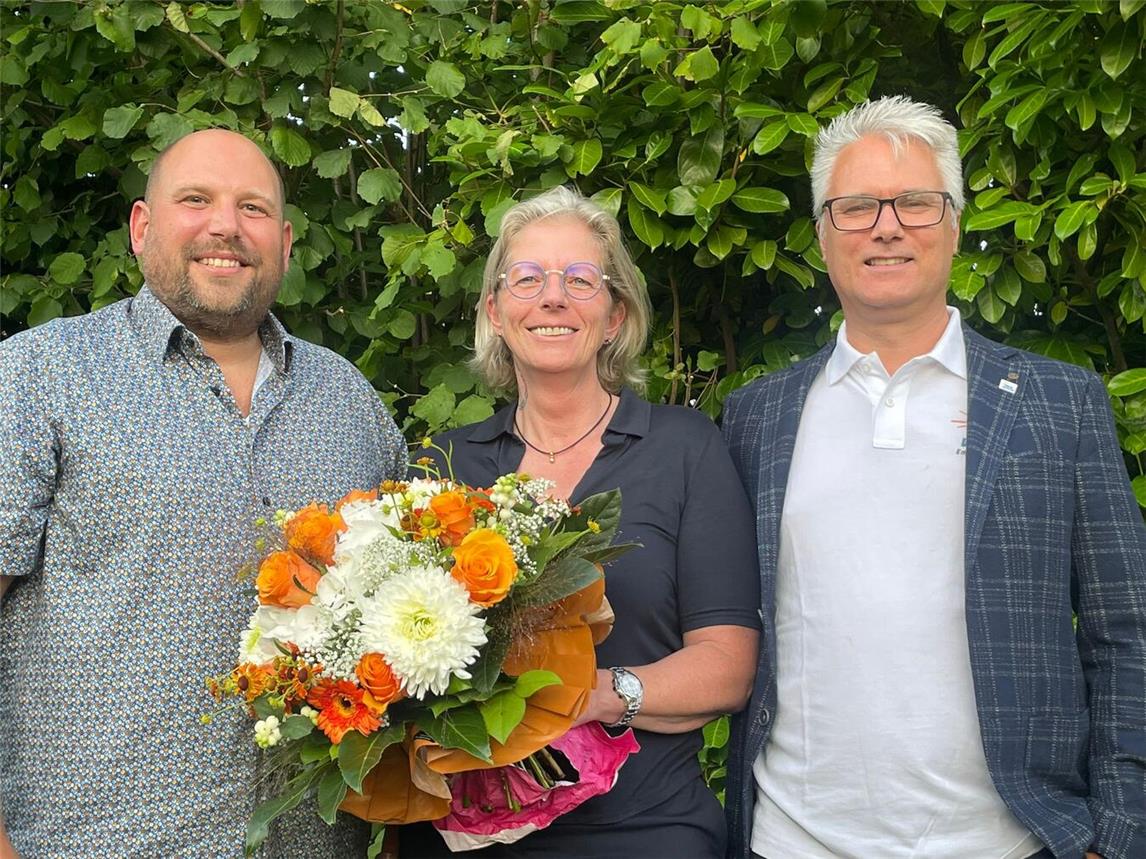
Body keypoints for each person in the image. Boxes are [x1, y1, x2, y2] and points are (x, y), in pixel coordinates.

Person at [722, 96, 1146, 859]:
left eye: (915, 202)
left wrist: (1117, 833)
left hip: (1009, 842)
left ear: (953, 224)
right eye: (856, 207)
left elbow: (1128, 633)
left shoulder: (1061, 403)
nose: (886, 226)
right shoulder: (758, 416)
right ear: (822, 235)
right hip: (791, 839)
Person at [0, 129, 406, 857]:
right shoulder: (40, 376)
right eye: (196, 199)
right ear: (141, 227)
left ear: (284, 242)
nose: (225, 225)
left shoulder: (348, 401)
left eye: (253, 208)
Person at [400, 186, 761, 858]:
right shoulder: (441, 466)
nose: (553, 297)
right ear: (496, 312)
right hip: (462, 832)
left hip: (641, 829)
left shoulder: (685, 449)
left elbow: (727, 666)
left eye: (580, 279)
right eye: (527, 278)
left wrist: (589, 695)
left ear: (616, 314)